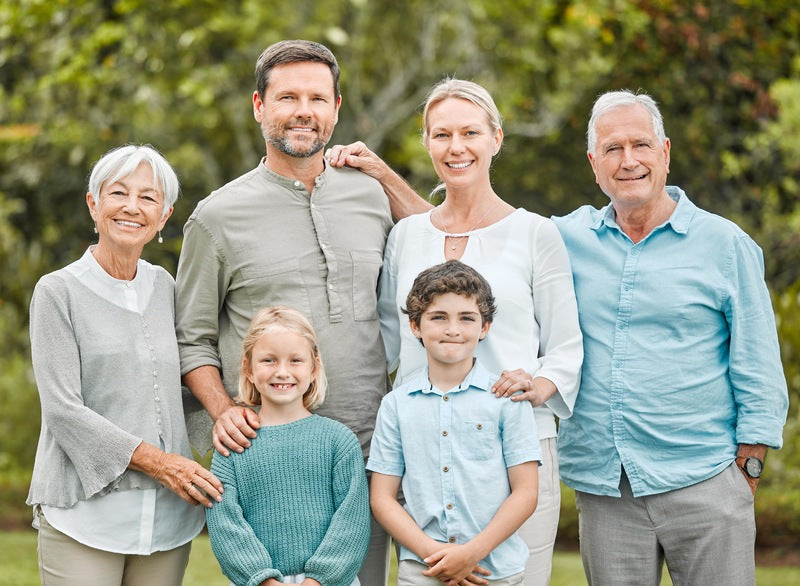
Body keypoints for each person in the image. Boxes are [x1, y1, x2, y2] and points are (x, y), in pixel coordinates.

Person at [175, 39, 427, 583]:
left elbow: (447, 244)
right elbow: (189, 338)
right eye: (288, 97)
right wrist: (222, 411)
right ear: (259, 106)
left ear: (338, 107)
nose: (304, 111)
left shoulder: (371, 193)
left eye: (318, 97)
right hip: (271, 455)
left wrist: (385, 175)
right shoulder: (216, 217)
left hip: (371, 442)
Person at [328, 78, 583, 585]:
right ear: (426, 143)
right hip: (423, 448)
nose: (456, 147)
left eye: (470, 132)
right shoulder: (406, 236)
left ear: (497, 138)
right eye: (441, 134)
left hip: (516, 451)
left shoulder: (535, 233)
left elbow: (565, 344)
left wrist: (539, 385)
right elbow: (386, 337)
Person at [553, 89, 790, 585]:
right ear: (594, 164)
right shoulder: (563, 240)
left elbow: (759, 367)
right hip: (606, 488)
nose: (629, 160)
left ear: (665, 152)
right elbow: (479, 232)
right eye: (613, 149)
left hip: (706, 482)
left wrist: (745, 473)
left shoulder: (725, 245)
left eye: (641, 145)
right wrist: (386, 179)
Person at [27, 144, 224, 586]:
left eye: (148, 198)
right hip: (85, 519)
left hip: (167, 522)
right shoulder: (57, 292)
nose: (132, 208)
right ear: (94, 204)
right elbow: (62, 410)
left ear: (164, 215)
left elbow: (186, 383)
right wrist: (161, 463)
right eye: (118, 193)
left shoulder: (165, 286)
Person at [368, 260, 540, 586]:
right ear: (415, 326)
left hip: (495, 571)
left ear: (485, 327)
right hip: (423, 570)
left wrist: (471, 553)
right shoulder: (396, 406)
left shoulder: (506, 400)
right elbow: (382, 498)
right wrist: (435, 554)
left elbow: (526, 492)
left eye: (466, 318)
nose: (453, 330)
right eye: (438, 317)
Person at [206, 306, 370, 586]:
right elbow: (225, 523)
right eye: (269, 360)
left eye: (295, 360)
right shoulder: (233, 445)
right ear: (248, 368)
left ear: (314, 367)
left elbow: (352, 520)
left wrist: (318, 580)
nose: (282, 372)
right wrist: (263, 580)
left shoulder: (338, 441)